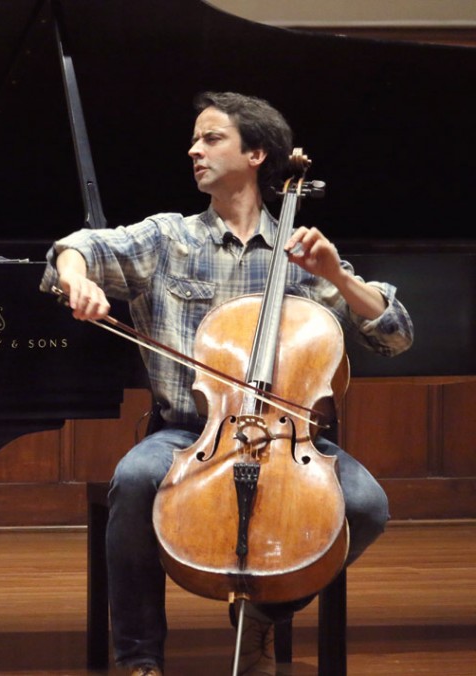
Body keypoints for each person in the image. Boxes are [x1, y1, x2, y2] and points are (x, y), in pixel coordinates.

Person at [41, 91, 413, 676]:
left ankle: (266, 617)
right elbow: (76, 247)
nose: (194, 149)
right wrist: (77, 278)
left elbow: (392, 334)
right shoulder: (169, 238)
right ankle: (139, 659)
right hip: (189, 433)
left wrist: (336, 274)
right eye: (194, 140)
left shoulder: (301, 255)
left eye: (211, 138)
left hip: (287, 440)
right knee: (136, 478)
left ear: (258, 153)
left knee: (367, 506)